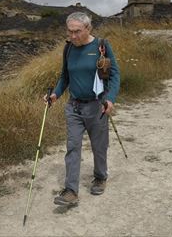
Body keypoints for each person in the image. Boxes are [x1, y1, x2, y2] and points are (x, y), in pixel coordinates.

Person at [45, 11, 120, 206]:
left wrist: (110, 99)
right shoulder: (68, 49)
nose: (72, 36)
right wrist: (55, 94)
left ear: (88, 28)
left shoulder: (101, 46)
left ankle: (100, 177)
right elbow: (65, 77)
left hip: (98, 106)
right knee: (73, 147)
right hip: (74, 107)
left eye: (77, 32)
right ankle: (71, 191)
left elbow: (114, 75)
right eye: (69, 32)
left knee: (99, 146)